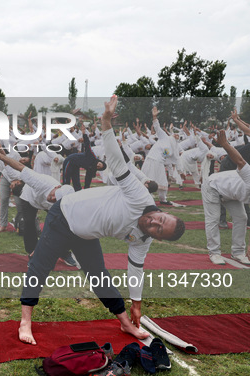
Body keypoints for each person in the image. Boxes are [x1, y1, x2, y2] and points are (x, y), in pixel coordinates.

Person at [18, 95, 186, 345]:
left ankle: (126, 323)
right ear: (162, 211)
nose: (154, 223)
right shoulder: (138, 195)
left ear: (158, 237)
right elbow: (117, 160)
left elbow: (135, 270)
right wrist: (106, 122)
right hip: (64, 215)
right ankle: (25, 321)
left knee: (99, 277)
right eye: (160, 218)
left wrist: (137, 304)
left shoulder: (143, 239)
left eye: (159, 230)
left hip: (86, 234)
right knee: (40, 266)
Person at [201, 130, 250, 265]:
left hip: (232, 194)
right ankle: (214, 253)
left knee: (242, 217)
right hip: (213, 187)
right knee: (214, 219)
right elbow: (240, 160)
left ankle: (238, 252)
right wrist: (225, 144)